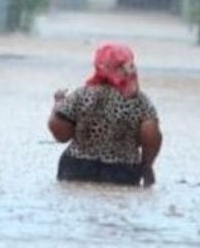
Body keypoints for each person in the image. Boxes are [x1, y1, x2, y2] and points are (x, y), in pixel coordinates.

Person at [48, 43, 163, 187]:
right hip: (123, 170)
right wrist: (147, 166)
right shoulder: (140, 102)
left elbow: (60, 134)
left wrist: (58, 104)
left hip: (77, 166)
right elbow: (151, 136)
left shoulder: (82, 94)